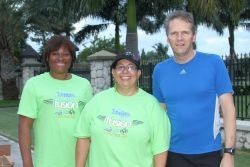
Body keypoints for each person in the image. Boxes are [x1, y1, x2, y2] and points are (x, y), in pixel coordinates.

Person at [152, 10, 236, 167]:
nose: (179, 38)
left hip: (209, 154)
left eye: (185, 32)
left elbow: (228, 109)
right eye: (174, 33)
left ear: (194, 36)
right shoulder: (159, 70)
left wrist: (229, 153)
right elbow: (159, 115)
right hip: (172, 153)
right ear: (167, 38)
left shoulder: (214, 63)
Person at [75, 52, 171, 167]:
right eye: (120, 67)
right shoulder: (97, 101)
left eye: (131, 67)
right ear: (113, 72)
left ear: (139, 73)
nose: (125, 71)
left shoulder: (152, 106)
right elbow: (83, 138)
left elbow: (160, 151)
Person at [18, 35, 93, 167]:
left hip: (79, 162)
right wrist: (27, 163)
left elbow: (90, 127)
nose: (60, 58)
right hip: (46, 162)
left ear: (72, 58)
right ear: (47, 57)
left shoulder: (84, 85)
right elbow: (24, 126)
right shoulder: (34, 84)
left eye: (66, 54)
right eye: (55, 54)